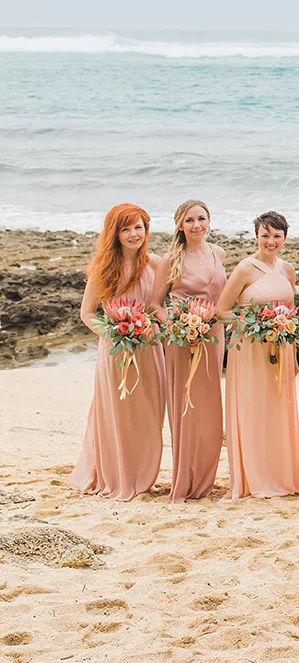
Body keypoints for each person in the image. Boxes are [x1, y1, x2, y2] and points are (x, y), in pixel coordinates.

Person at [72, 204, 169, 501]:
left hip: (149, 350)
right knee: (119, 412)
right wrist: (112, 332)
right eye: (125, 229)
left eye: (138, 227)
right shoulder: (103, 268)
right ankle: (118, 473)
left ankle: (144, 475)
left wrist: (168, 326)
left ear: (146, 230)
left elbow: (159, 307)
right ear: (114, 233)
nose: (133, 234)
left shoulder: (156, 264)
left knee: (150, 412)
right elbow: (87, 313)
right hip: (116, 351)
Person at [216, 211, 299, 499]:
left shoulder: (287, 269)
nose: (271, 241)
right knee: (254, 409)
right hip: (251, 348)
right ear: (256, 236)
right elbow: (222, 310)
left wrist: (283, 336)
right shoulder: (245, 268)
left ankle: (280, 474)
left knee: (278, 409)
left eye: (277, 236)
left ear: (285, 238)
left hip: (280, 346)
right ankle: (254, 477)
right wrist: (255, 327)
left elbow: (290, 308)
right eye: (265, 235)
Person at [161, 198, 226, 502]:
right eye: (189, 220)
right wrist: (178, 325)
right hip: (182, 340)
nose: (196, 225)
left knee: (210, 408)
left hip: (212, 337)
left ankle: (206, 480)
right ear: (180, 225)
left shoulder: (219, 253)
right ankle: (184, 480)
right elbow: (154, 304)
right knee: (186, 408)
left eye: (201, 218)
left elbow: (224, 299)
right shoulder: (170, 259)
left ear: (209, 221)